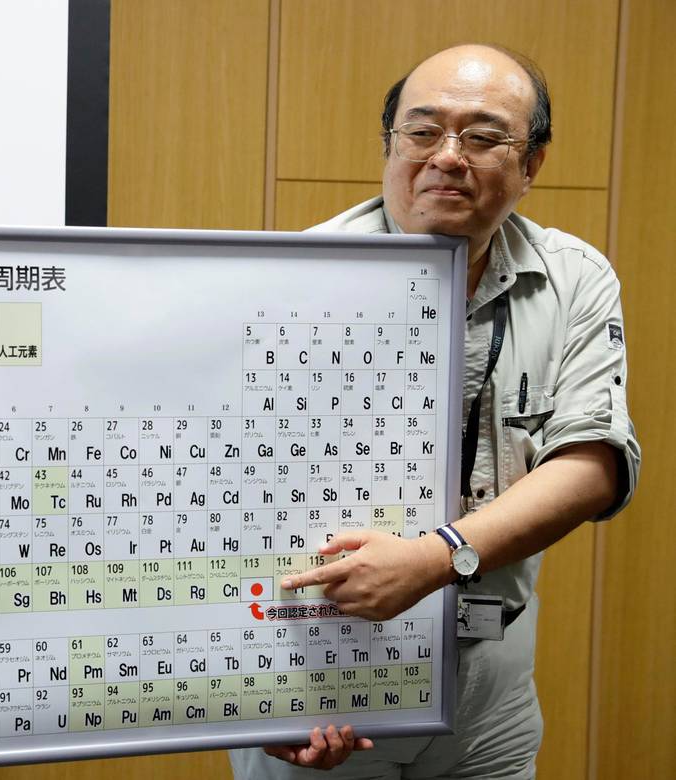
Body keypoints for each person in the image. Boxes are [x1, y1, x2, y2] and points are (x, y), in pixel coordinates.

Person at [230, 44, 640, 779]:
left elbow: (591, 467)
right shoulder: (288, 279)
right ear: (389, 144)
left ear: (532, 163)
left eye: (483, 137)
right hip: (321, 670)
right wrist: (252, 694)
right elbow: (224, 505)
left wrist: (432, 556)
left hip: (492, 680)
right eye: (422, 132)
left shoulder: (576, 279)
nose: (447, 157)